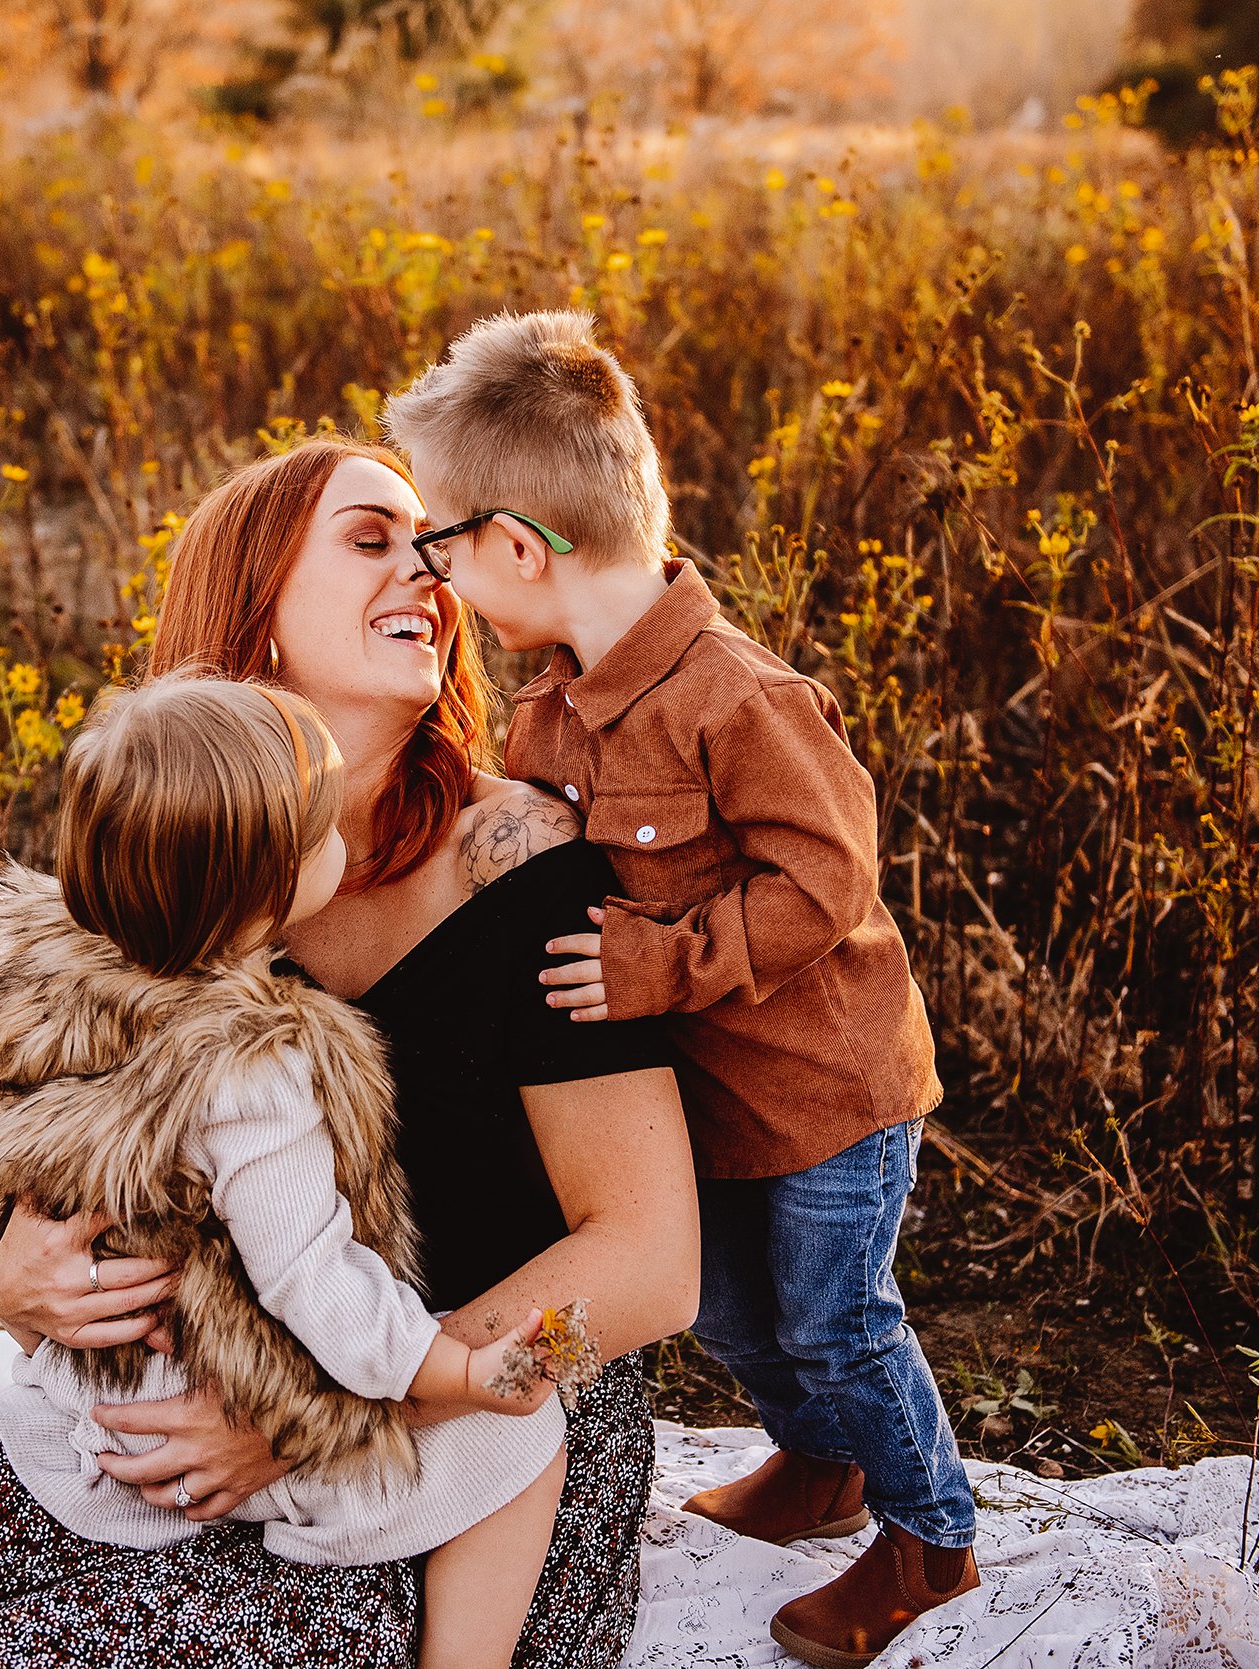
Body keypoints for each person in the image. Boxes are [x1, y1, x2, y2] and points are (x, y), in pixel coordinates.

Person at [0, 436, 701, 1669]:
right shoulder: (174, 871)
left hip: (467, 1430)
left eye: (431, 549)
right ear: (253, 614)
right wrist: (19, 1278)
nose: (428, 574)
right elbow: (95, 1152)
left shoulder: (522, 860)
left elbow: (654, 1264)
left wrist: (328, 1408)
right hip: (199, 1390)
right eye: (371, 541)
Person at [382, 311, 981, 1667]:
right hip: (713, 1100)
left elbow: (829, 878)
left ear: (521, 552)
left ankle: (928, 1533)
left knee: (836, 1316)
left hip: (829, 1092)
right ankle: (821, 1466)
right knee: (727, 1308)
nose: (440, 575)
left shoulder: (734, 696)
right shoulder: (551, 714)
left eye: (443, 546)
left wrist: (665, 963)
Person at [0, 672, 570, 1669]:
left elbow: (17, 933)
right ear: (271, 885)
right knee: (522, 1439)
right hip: (179, 1424)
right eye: (321, 831)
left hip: (96, 1386)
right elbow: (314, 1279)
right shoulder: (251, 1070)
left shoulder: (67, 964)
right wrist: (455, 1370)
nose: (339, 840)